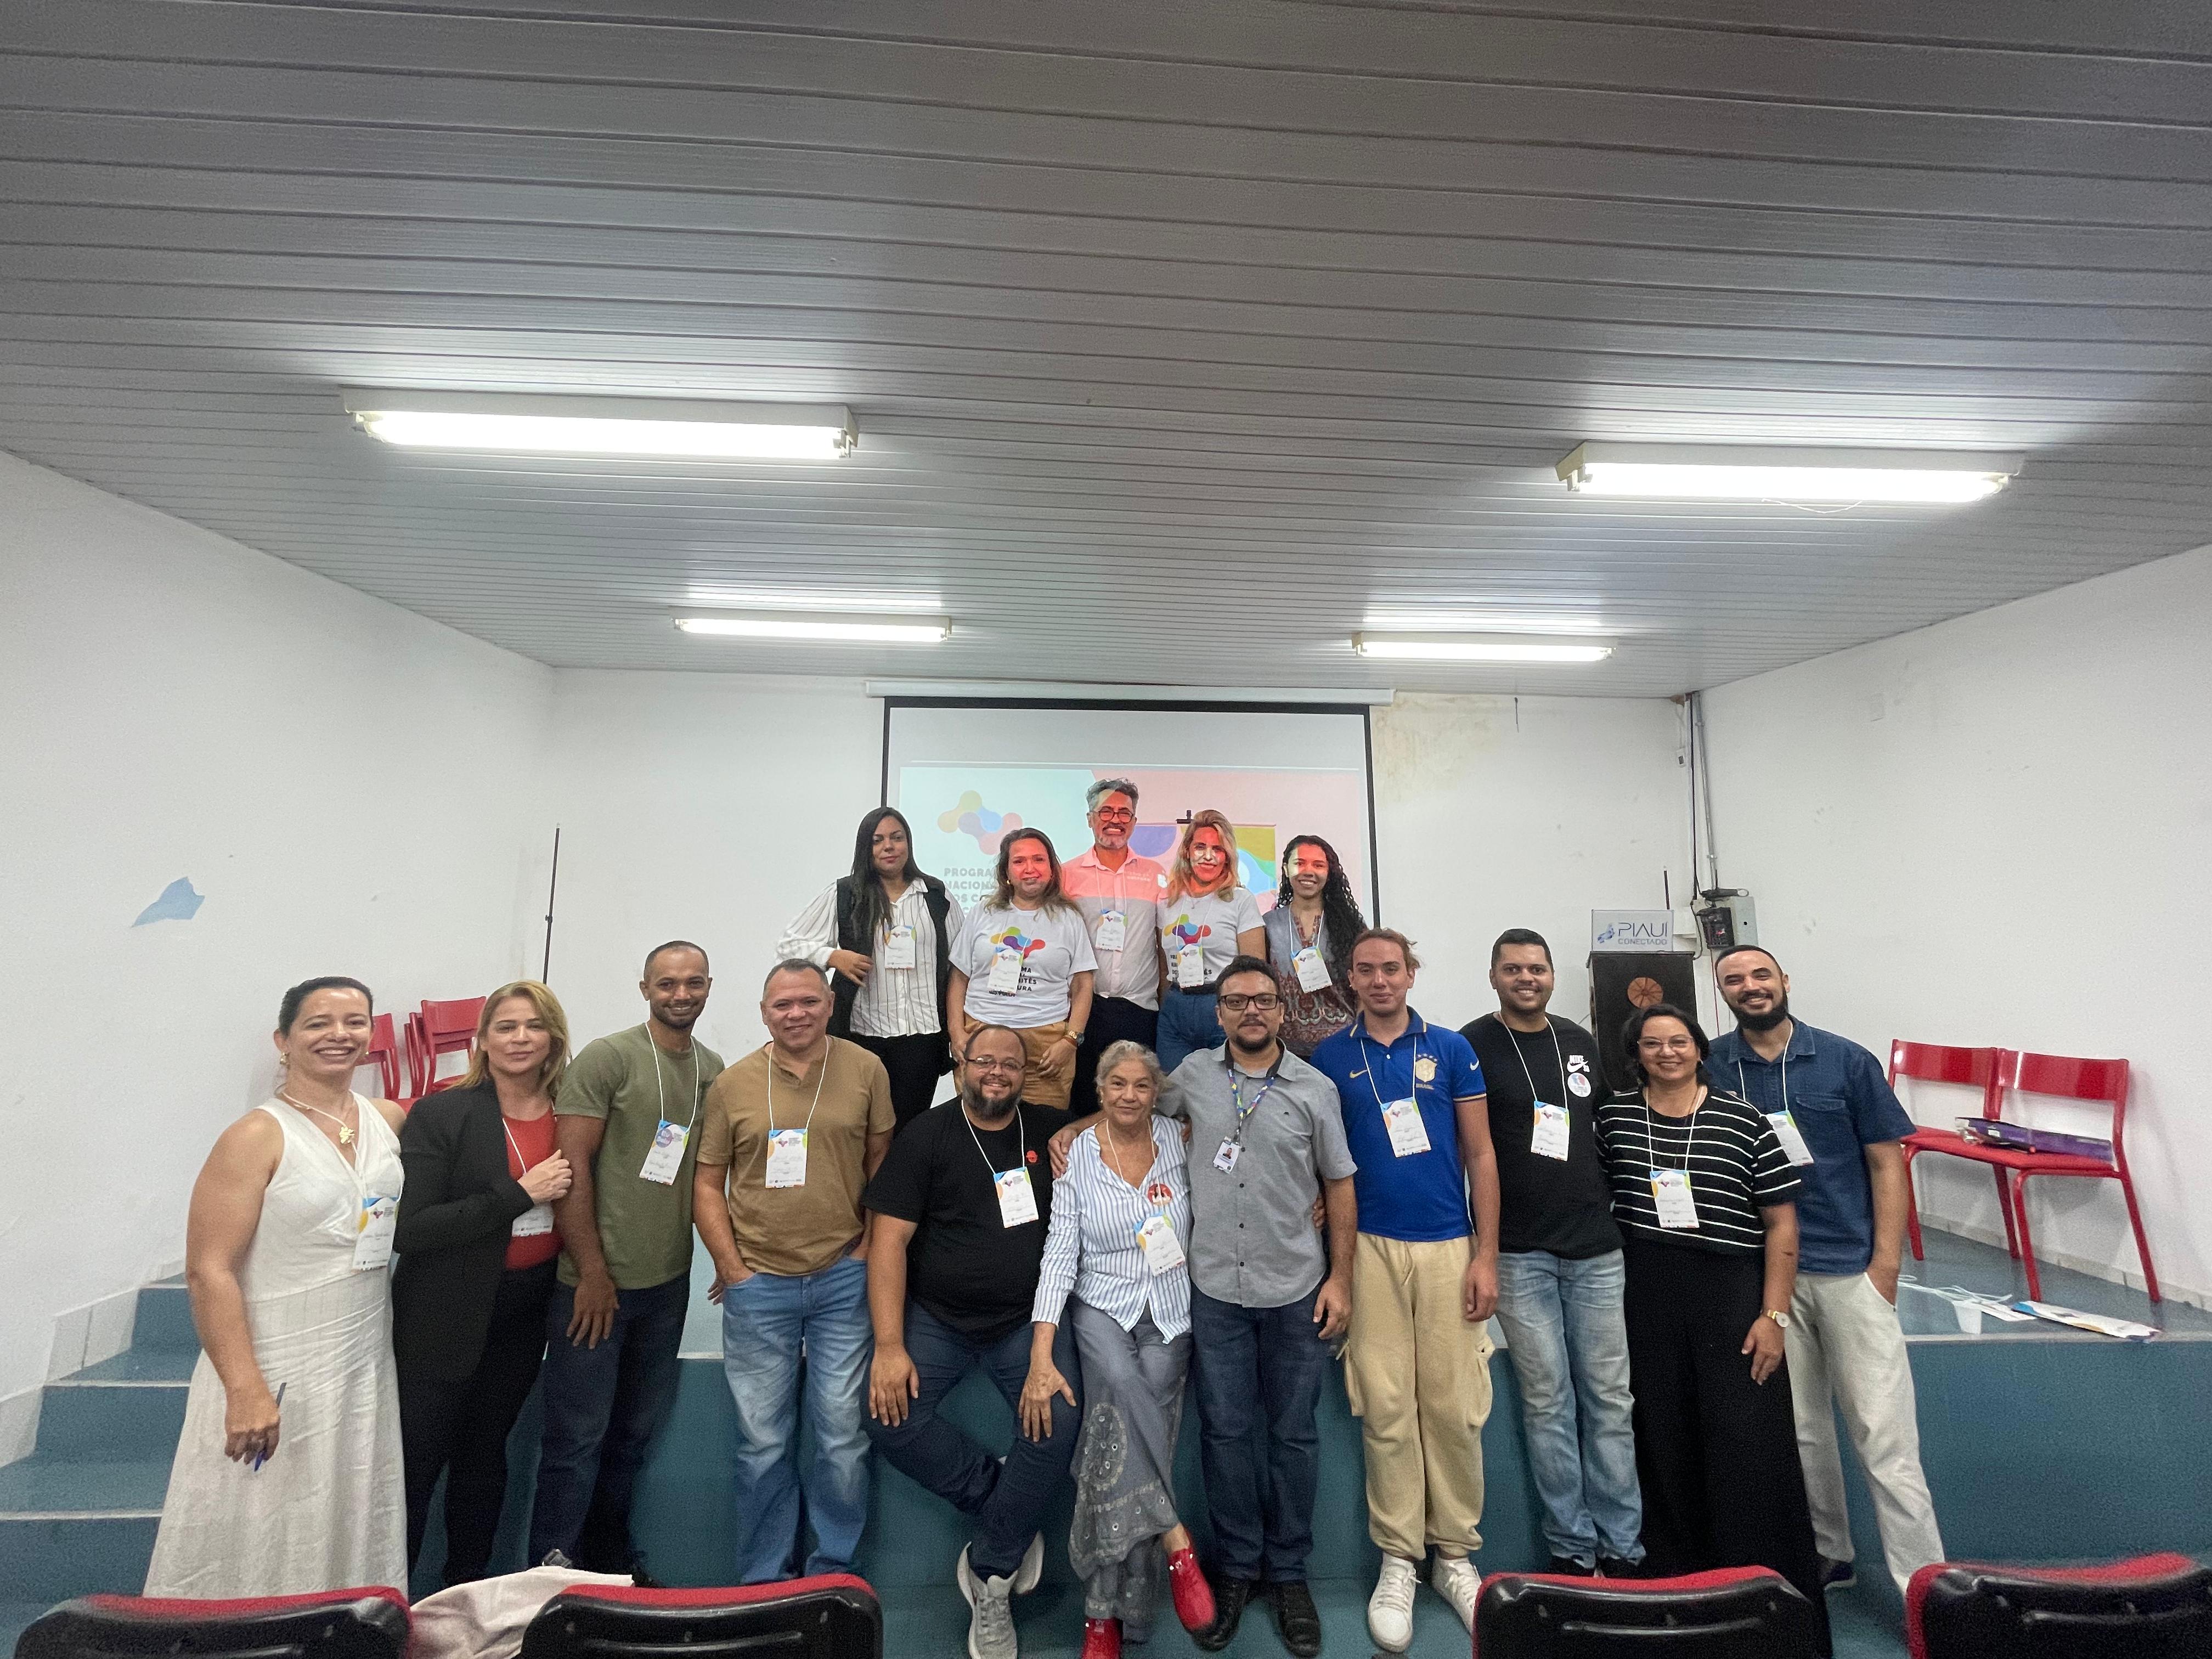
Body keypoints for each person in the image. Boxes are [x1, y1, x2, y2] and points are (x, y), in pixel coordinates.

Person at [145, 977, 408, 1596]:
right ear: (283, 1041)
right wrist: (244, 1389)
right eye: (318, 1023)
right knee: (259, 1514)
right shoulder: (256, 1136)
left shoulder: (386, 1118)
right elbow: (208, 1270)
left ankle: (339, 1627)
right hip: (277, 1358)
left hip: (361, 1355)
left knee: (346, 1505)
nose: (339, 1035)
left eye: (355, 1022)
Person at [1709, 946, 1944, 1598]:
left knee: (1884, 1437)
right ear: (1722, 992)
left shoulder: (1846, 1061)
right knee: (1803, 1432)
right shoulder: (1713, 1066)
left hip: (1849, 1272)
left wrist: (1885, 1265)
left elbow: (1887, 1163)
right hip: (1768, 1281)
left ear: (1784, 981)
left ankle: (1923, 1586)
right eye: (1735, 980)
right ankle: (1829, 1554)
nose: (1751, 987)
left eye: (1761, 975)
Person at [1596, 1004, 1830, 1656]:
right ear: (1636, 1055)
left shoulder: (1744, 1119)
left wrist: (1774, 1316)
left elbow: (1782, 1224)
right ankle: (1675, 1596)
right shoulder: (1615, 1118)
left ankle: (1760, 1597)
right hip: (1646, 1292)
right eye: (1652, 1044)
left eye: (1679, 1041)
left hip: (1731, 1293)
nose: (1666, 1052)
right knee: (1661, 1437)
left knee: (1743, 1440)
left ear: (1700, 1049)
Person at [1161, 955, 1357, 1659]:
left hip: (1295, 1289)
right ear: (1219, 1013)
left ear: (1281, 1011)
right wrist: (1073, 1130)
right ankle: (1239, 1569)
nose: (1252, 1011)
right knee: (1225, 1434)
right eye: (1237, 1000)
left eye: (1264, 1000)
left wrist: (1341, 1279)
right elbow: (1131, 1110)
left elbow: (1339, 1185)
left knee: (1294, 1435)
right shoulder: (1191, 1077)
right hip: (1215, 1289)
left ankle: (1290, 1574)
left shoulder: (1315, 1088)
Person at [864, 1025, 1080, 1659]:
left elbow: (1125, 1111)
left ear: (1025, 1074)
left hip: (1026, 1322)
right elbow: (888, 1243)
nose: (996, 1073)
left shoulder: (1047, 1129)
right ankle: (1004, 1509)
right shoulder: (926, 1136)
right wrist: (889, 1346)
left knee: (1059, 1422)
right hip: (939, 1320)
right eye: (984, 1061)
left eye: (1010, 1064)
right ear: (961, 1064)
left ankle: (991, 1572)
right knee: (888, 1417)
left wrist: (1078, 1127)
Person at [1308, 929, 1498, 1649]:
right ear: (1350, 980)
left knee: (1452, 1405)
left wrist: (1486, 1255)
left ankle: (1454, 1555)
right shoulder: (1329, 1058)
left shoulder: (1451, 1049)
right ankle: (1399, 1558)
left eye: (1392, 968)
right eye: (1367, 970)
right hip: (1368, 1250)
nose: (1380, 980)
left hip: (1449, 1245)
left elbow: (1481, 1154)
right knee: (1385, 1407)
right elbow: (1322, 1160)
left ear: (1411, 973)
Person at [693, 960, 895, 1583]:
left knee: (843, 1440)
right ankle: (765, 1581)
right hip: (758, 1285)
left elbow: (882, 1161)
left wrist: (866, 1250)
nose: (796, 1013)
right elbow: (706, 1181)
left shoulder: (866, 1068)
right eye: (782, 1005)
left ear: (830, 1005)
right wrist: (732, 1266)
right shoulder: (733, 1084)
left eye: (809, 1001)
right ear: (764, 1013)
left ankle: (832, 1573)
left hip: (842, 1279)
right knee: (762, 1445)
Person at [531, 941, 725, 1577]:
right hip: (594, 1288)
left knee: (631, 1439)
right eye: (667, 983)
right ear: (645, 989)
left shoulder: (712, 1069)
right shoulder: (609, 1058)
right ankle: (553, 1573)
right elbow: (570, 1168)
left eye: (693, 983)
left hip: (665, 1288)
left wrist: (728, 1260)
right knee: (575, 1442)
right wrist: (591, 1271)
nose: (681, 994)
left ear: (709, 987)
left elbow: (708, 1179)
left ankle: (611, 1565)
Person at [1023, 1042, 1217, 1659]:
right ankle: (1175, 1541)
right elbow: (1060, 1253)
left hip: (1171, 1309)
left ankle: (1106, 1615)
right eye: (1117, 1084)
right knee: (1124, 1386)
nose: (1129, 1095)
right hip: (1102, 1306)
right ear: (1100, 1090)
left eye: (1141, 1085)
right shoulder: (1078, 1155)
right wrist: (1041, 1352)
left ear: (1156, 1093)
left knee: (1119, 1439)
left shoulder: (1181, 1142)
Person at [1459, 930, 1642, 1579]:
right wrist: (1481, 1250)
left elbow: (1604, 1127)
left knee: (1610, 1400)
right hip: (1518, 1253)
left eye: (1537, 968)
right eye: (1513, 969)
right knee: (1548, 1403)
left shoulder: (1579, 1040)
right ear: (1493, 976)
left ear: (1552, 976)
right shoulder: (1472, 1045)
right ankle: (1572, 1547)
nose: (1526, 978)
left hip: (1596, 1248)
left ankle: (1623, 1548)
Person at [393, 980, 576, 1584]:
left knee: (484, 1457)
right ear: (484, 1040)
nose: (521, 1038)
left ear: (554, 1038)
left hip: (524, 1311)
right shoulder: (442, 1113)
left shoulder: (571, 1113)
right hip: (442, 1312)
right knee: (418, 1464)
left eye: (534, 1026)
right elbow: (411, 1228)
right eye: (506, 1027)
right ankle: (389, 1602)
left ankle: (466, 1596)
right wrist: (518, 1194)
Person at [778, 806, 963, 1130]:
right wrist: (833, 956)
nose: (889, 847)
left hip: (923, 1038)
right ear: (866, 847)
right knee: (860, 1128)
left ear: (908, 843)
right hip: (862, 1036)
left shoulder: (935, 895)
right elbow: (789, 945)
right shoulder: (845, 894)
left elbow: (961, 960)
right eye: (878, 840)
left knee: (909, 1130)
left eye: (897, 838)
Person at [948, 828, 1097, 1113]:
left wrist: (1070, 1041)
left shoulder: (1069, 918)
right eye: (1019, 861)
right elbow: (959, 977)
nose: (1030, 869)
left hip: (1046, 1048)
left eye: (1039, 860)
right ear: (1006, 871)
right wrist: (957, 1034)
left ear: (1052, 869)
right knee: (980, 1124)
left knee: (1045, 1128)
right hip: (982, 1036)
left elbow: (1082, 984)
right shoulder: (983, 912)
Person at [1061, 779, 1171, 1118]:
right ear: (1090, 819)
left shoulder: (1156, 875)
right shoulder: (1066, 875)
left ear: (1134, 822)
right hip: (1084, 1008)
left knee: (1135, 1103)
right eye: (1106, 811)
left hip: (1140, 1009)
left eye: (1124, 813)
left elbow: (1163, 946)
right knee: (1083, 1102)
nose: (1115, 820)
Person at [1153, 811, 1266, 1074]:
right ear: (1187, 851)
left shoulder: (1241, 900)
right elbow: (1162, 965)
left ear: (1228, 856)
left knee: (1225, 1088)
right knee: (1173, 1089)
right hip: (1176, 1006)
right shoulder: (1166, 901)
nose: (1208, 856)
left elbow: (1255, 969)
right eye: (1200, 847)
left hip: (1222, 1004)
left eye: (1218, 849)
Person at [1263, 835, 1363, 1058]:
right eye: (1300, 863)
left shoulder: (1350, 924)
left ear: (1329, 872)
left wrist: (1361, 1037)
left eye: (1318, 865)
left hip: (1342, 1045)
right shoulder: (1268, 924)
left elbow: (1363, 987)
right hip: (1285, 1051)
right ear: (1286, 869)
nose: (1308, 871)